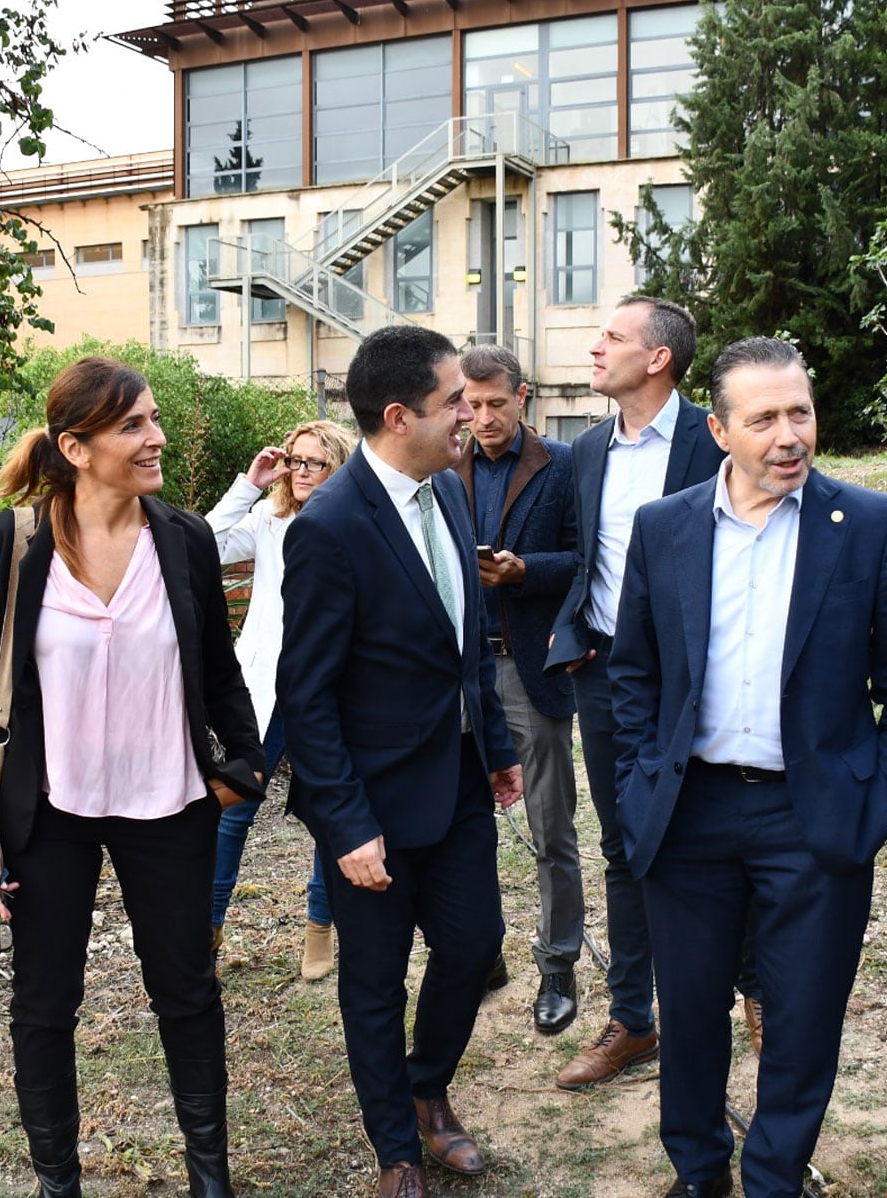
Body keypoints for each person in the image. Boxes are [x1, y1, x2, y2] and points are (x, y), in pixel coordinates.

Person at [612, 336, 887, 1198]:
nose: (789, 435)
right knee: (688, 1012)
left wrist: (880, 799)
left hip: (816, 816)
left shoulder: (865, 524)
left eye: (801, 411)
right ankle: (699, 1168)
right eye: (763, 419)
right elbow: (634, 673)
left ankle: (774, 1176)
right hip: (689, 814)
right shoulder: (665, 526)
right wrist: (639, 782)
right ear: (719, 429)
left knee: (801, 1018)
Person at [0, 357, 263, 1198]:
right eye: (133, 426)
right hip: (52, 812)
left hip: (169, 804)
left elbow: (220, 673)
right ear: (76, 447)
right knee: (45, 1004)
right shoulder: (10, 543)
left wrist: (247, 768)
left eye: (154, 419)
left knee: (186, 992)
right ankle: (59, 1181)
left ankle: (209, 1178)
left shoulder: (183, 538)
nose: (154, 438)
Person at [278, 324, 523, 1198]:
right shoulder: (329, 527)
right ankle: (395, 1148)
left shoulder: (449, 492)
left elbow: (467, 644)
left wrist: (493, 748)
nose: (471, 413)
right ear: (397, 416)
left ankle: (428, 1087)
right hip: (371, 808)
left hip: (455, 784)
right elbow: (305, 697)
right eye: (454, 401)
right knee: (373, 982)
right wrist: (345, 825)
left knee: (473, 945)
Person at [543, 294, 725, 1090]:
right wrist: (574, 635)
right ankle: (633, 1018)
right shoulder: (586, 450)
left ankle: (745, 989)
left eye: (611, 337)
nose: (594, 348)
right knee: (623, 846)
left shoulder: (712, 438)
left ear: (658, 358)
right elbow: (589, 555)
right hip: (608, 675)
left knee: (720, 834)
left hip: (699, 674)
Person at [452, 344, 583, 1034]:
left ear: (522, 395)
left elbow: (589, 560)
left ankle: (558, 962)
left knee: (550, 825)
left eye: (495, 403)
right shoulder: (445, 465)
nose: (482, 417)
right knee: (465, 822)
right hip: (464, 672)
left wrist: (525, 569)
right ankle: (484, 953)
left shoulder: (564, 465)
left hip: (531, 668)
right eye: (470, 405)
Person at [205, 418, 358, 980]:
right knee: (234, 806)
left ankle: (320, 926)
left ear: (338, 466)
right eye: (294, 461)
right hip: (267, 686)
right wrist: (250, 484)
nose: (300, 473)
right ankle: (210, 928)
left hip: (331, 688)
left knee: (327, 809)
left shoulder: (356, 522)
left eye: (313, 462)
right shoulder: (269, 522)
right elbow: (207, 543)